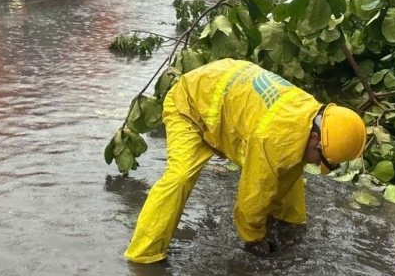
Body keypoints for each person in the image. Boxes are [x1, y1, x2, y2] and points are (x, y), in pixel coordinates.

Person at [124, 59, 369, 264]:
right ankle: (144, 254)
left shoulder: (309, 114)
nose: (319, 166)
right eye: (323, 160)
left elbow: (286, 166)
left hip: (224, 97)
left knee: (292, 168)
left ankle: (291, 225)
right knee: (179, 178)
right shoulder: (275, 140)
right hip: (190, 106)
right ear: (315, 136)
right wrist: (255, 240)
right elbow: (252, 198)